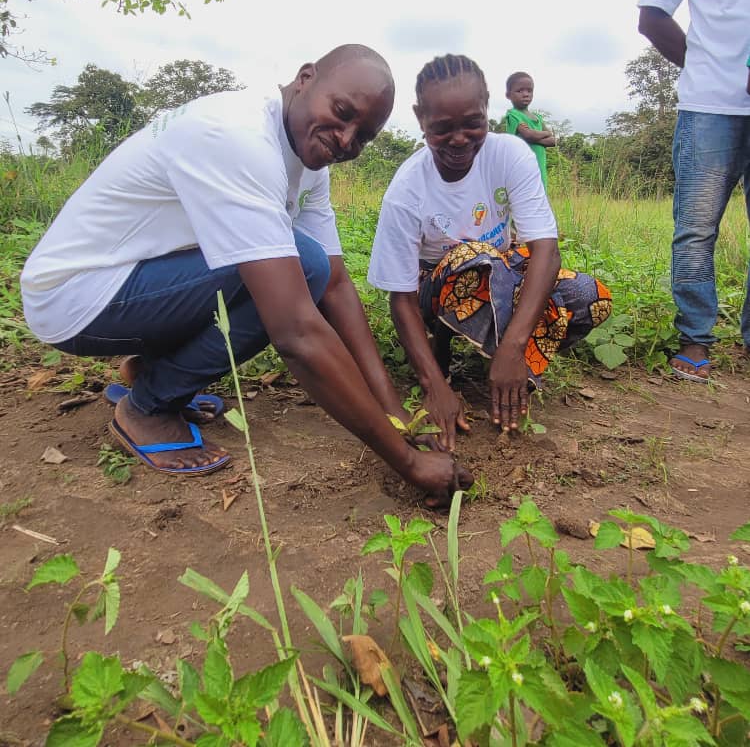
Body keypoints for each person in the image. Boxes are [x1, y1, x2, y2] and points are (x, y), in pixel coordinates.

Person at [21, 44, 472, 505]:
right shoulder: (237, 135)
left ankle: (152, 375)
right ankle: (148, 408)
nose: (345, 139)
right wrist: (407, 460)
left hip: (132, 286)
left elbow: (336, 283)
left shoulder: (309, 159)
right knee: (296, 266)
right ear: (305, 78)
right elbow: (296, 331)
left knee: (309, 264)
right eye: (342, 113)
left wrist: (397, 417)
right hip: (75, 297)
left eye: (363, 136)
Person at [367, 54, 612, 449]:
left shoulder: (510, 155)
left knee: (589, 297)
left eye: (473, 123)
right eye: (442, 128)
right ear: (419, 118)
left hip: (496, 273)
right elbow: (402, 299)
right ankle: (446, 348)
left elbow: (546, 251)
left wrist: (515, 347)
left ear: (487, 111)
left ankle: (507, 362)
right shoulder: (407, 190)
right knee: (474, 259)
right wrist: (433, 387)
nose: (460, 138)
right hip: (438, 289)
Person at [638, 0, 750, 383]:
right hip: (710, 107)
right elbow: (652, 14)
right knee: (696, 229)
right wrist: (714, 66)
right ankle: (696, 342)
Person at [503, 72, 556, 190]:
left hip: (539, 167)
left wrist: (534, 136)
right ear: (508, 95)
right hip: (522, 168)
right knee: (524, 199)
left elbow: (553, 141)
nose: (525, 94)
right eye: (520, 91)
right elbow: (528, 135)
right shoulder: (513, 115)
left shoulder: (537, 117)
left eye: (529, 90)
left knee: (540, 198)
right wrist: (546, 133)